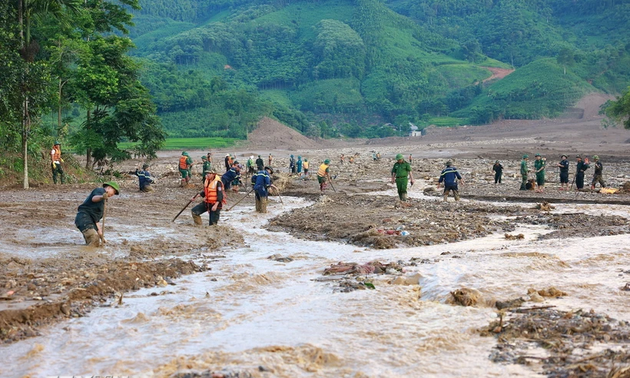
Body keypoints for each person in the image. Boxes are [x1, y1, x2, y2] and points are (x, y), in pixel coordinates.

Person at [74, 181, 119, 246]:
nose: (113, 194)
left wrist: (102, 236)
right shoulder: (100, 191)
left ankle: (87, 254)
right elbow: (94, 198)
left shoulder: (102, 203)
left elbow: (96, 221)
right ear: (109, 188)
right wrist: (102, 197)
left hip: (89, 221)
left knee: (93, 243)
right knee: (94, 239)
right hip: (84, 218)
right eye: (114, 192)